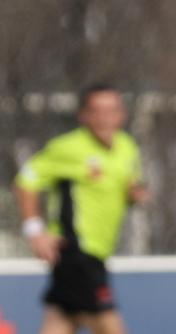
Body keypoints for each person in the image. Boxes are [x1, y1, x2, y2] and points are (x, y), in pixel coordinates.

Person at [14, 84, 148, 334]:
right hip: (75, 250)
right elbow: (26, 182)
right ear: (83, 115)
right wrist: (35, 231)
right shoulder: (67, 148)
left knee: (61, 320)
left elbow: (127, 188)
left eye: (112, 110)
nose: (105, 118)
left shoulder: (127, 147)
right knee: (109, 324)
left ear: (122, 115)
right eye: (97, 111)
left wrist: (134, 195)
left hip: (99, 252)